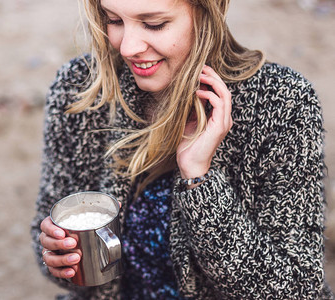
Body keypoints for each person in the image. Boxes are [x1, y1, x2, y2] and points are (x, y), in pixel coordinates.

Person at [31, 0, 334, 298]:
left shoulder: (283, 103)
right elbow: (53, 247)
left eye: (154, 24)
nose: (127, 48)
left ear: (205, 12)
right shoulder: (81, 89)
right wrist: (61, 258)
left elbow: (296, 289)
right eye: (114, 20)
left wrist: (200, 181)